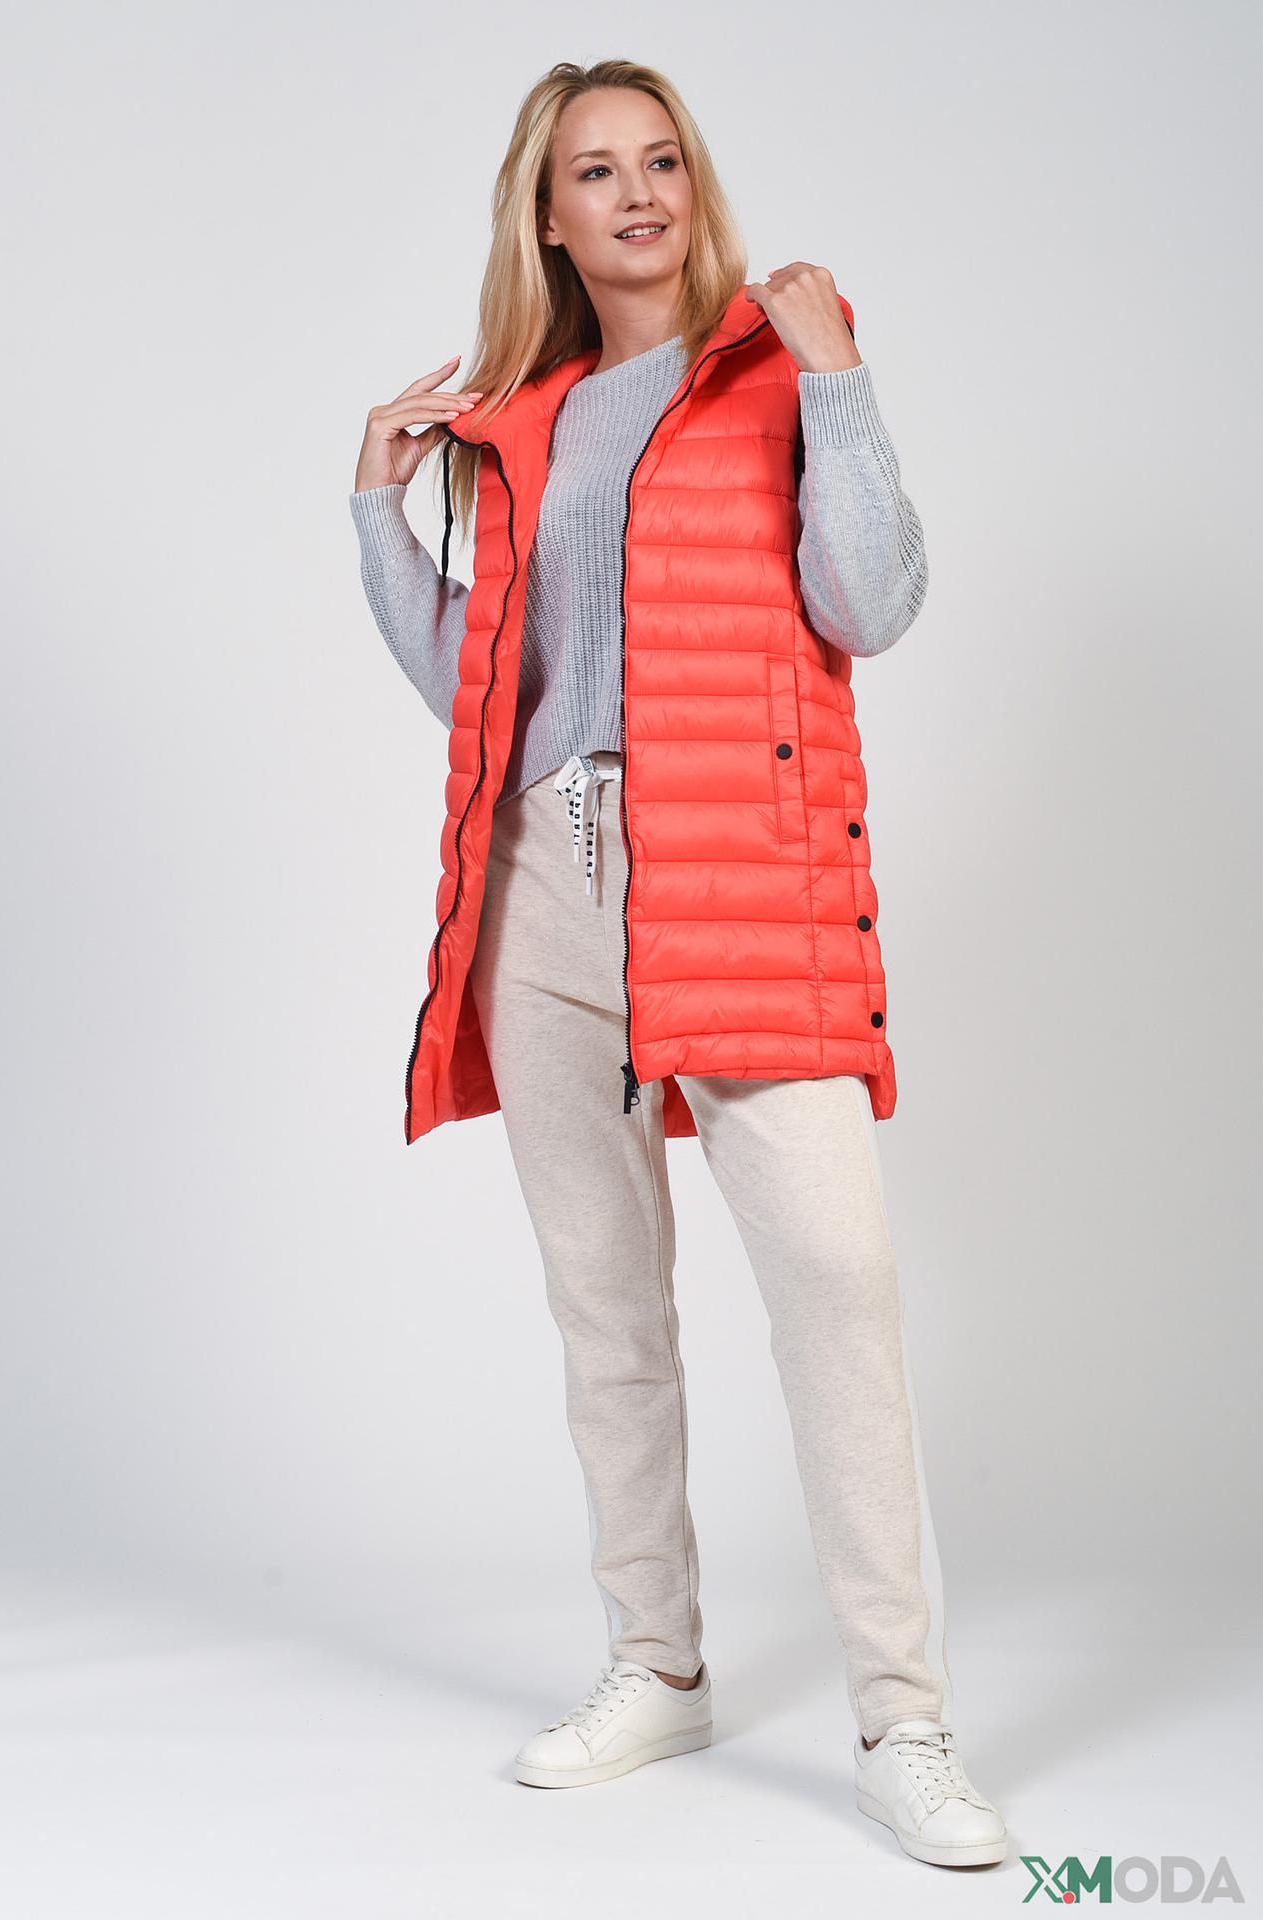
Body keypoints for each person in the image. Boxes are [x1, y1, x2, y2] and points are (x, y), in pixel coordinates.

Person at [350, 58, 1007, 1870]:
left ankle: (905, 1723)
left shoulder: (778, 367)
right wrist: (380, 513)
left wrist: (842, 379)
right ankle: (658, 1663)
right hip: (541, 893)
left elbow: (871, 601)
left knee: (838, 1286)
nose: (636, 192)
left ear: (692, 185)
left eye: (661, 160)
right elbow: (483, 694)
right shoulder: (527, 421)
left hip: (736, 874)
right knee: (607, 1310)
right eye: (595, 171)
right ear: (547, 216)